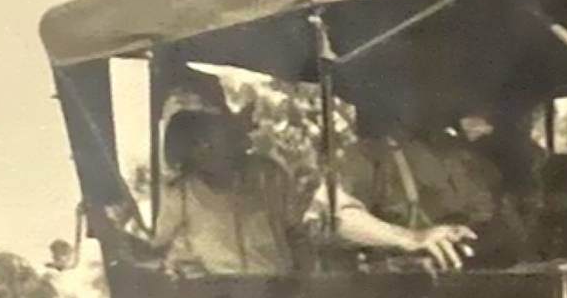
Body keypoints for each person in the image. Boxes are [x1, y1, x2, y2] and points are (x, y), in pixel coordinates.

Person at [306, 99, 527, 271]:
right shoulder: (368, 155)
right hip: (390, 297)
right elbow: (332, 217)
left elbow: (494, 222)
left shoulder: (465, 158)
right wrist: (413, 239)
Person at [152, 82, 307, 276]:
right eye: (221, 134)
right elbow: (163, 249)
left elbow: (295, 233)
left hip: (274, 286)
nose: (241, 138)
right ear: (199, 147)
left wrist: (303, 276)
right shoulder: (181, 194)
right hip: (217, 290)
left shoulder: (269, 175)